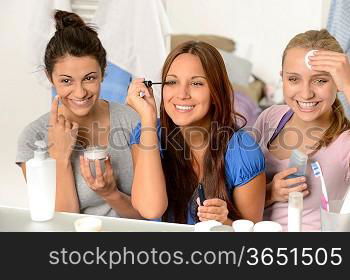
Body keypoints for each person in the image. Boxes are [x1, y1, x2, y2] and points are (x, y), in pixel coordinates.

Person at [16, 10, 142, 219]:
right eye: (66, 81)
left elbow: (145, 218)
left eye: (89, 78)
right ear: (50, 77)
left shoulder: (131, 122)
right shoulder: (33, 138)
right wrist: (59, 156)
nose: (80, 92)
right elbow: (61, 223)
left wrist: (111, 194)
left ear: (103, 71)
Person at [127, 41, 266, 225]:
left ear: (216, 92)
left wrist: (226, 223)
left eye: (196, 83)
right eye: (172, 82)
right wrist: (148, 119)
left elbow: (252, 238)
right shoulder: (147, 133)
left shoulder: (243, 151)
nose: (182, 94)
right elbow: (150, 209)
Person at [253, 29, 350, 231]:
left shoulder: (345, 143)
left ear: (337, 83)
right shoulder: (270, 118)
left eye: (321, 80)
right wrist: (270, 193)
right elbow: (239, 194)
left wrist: (349, 84)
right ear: (283, 78)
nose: (306, 93)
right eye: (294, 79)